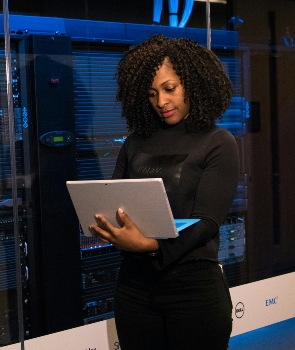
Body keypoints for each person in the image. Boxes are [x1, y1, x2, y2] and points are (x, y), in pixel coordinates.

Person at [87, 34, 239, 350]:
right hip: (134, 290)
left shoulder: (218, 142)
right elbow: (113, 200)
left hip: (194, 292)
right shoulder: (134, 143)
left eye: (170, 89)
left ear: (193, 85)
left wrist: (151, 246)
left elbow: (206, 222)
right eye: (152, 93)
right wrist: (105, 226)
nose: (161, 102)